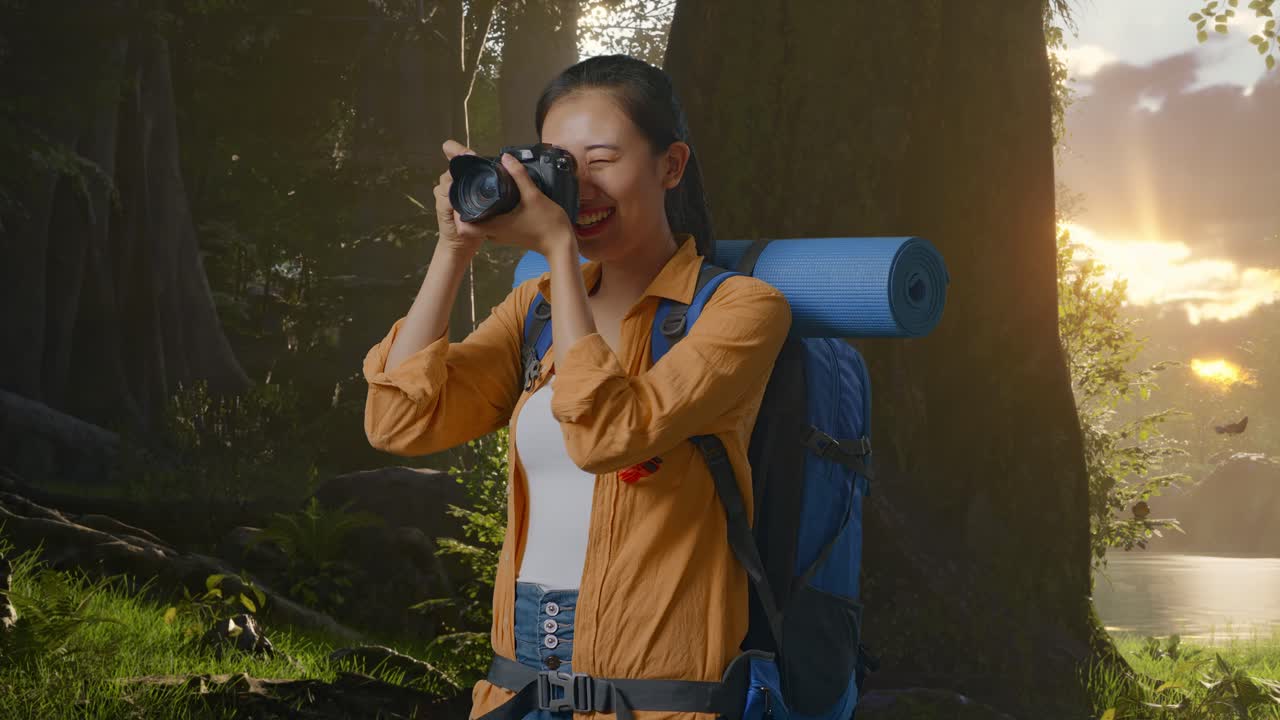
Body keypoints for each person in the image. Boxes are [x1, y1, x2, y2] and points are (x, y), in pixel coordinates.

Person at [362, 54, 791, 720]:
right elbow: (399, 422)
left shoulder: (739, 310)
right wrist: (454, 248)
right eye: (559, 165)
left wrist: (559, 250)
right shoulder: (532, 310)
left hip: (658, 698)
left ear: (670, 166)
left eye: (602, 160)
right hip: (517, 687)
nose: (579, 189)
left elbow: (606, 436)